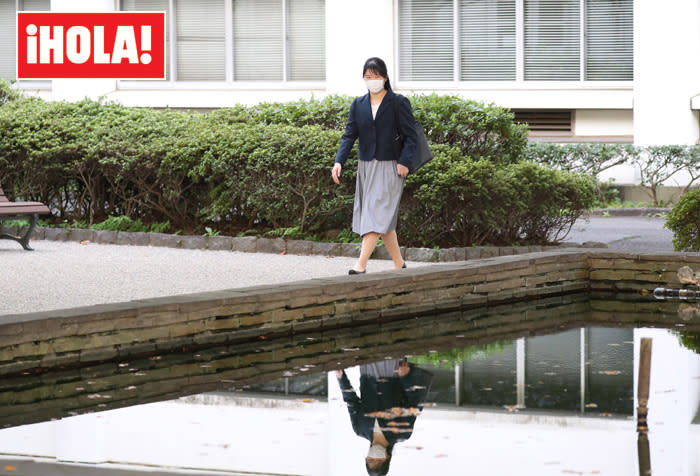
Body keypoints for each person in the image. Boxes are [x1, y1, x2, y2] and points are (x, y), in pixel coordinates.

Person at [331, 57, 418, 275]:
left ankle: (360, 265)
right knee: (382, 217)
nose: (372, 80)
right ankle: (399, 264)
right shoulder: (358, 104)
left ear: (385, 77)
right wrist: (339, 161)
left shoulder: (398, 102)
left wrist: (405, 162)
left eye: (376, 76)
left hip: (391, 165)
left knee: (376, 213)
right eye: (368, 76)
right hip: (366, 165)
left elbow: (411, 136)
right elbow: (349, 135)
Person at [335, 360, 433, 476]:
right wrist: (406, 376)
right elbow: (414, 404)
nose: (374, 456)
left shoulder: (359, 429)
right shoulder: (401, 434)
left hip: (367, 374)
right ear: (387, 458)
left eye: (371, 460)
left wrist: (341, 378)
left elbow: (351, 400)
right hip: (392, 374)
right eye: (379, 460)